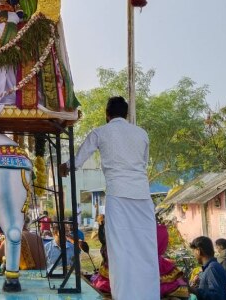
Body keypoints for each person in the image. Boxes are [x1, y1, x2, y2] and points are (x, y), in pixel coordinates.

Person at [60, 96, 158, 300]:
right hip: (142, 197)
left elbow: (79, 158)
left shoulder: (100, 132)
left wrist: (66, 167)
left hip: (119, 198)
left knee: (120, 251)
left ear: (107, 114)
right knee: (146, 250)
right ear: (127, 114)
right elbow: (143, 163)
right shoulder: (142, 134)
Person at [189, 236, 226, 300]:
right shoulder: (213, 266)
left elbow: (217, 297)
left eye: (194, 251)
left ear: (198, 251)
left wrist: (194, 290)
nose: (194, 255)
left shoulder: (212, 268)